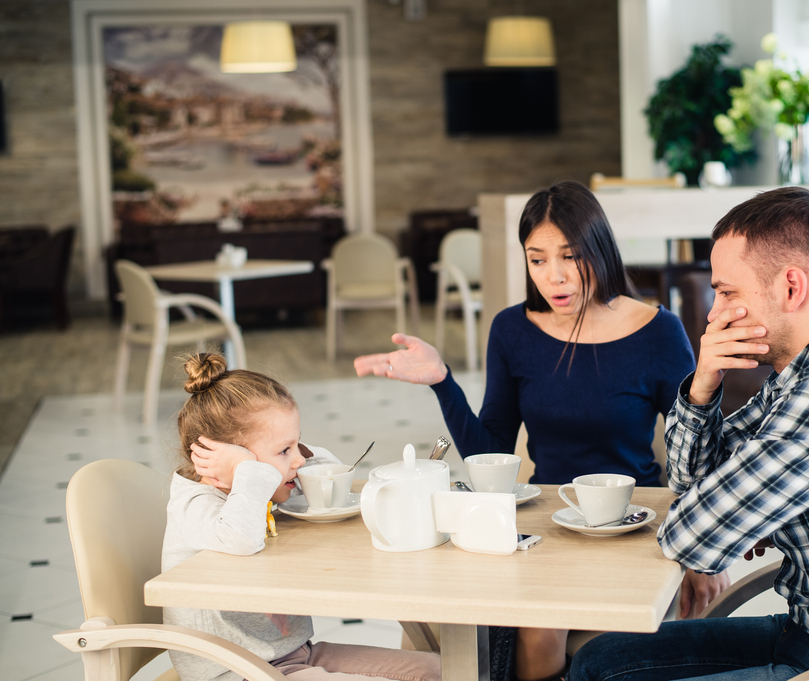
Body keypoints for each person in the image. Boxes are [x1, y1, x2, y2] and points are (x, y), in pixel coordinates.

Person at [569, 186, 809, 681]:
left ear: (791, 288)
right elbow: (693, 482)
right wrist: (703, 386)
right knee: (598, 661)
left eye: (727, 292)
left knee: (604, 675)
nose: (715, 315)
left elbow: (691, 536)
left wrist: (739, 514)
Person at [354, 180, 729, 679]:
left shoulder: (658, 331)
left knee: (539, 624)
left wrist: (709, 547)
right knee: (435, 613)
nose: (555, 277)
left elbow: (698, 447)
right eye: (537, 259)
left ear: (600, 250)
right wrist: (443, 382)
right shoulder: (513, 331)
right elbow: (492, 453)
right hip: (546, 528)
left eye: (570, 257)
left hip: (632, 527)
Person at [164, 352, 441, 681]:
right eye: (284, 450)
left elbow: (327, 475)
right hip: (235, 671)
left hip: (291, 655)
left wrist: (282, 456)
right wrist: (249, 472)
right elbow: (240, 537)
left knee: (439, 671)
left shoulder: (259, 490)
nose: (298, 460)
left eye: (297, 445)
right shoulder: (196, 504)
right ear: (227, 461)